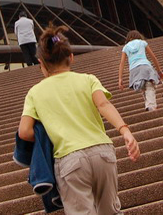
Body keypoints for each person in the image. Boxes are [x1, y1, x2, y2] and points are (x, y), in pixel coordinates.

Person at [18, 25, 140, 214]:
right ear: (71, 57)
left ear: (41, 63)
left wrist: (51, 131)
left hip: (69, 160)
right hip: (103, 153)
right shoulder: (88, 79)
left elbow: (24, 132)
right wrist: (125, 131)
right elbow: (104, 105)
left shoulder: (34, 93)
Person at [118, 30, 163, 111]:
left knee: (143, 87)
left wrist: (120, 78)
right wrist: (159, 71)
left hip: (134, 69)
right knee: (149, 85)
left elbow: (122, 63)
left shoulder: (125, 47)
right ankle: (151, 105)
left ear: (129, 38)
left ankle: (149, 105)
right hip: (145, 66)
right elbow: (153, 57)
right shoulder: (142, 43)